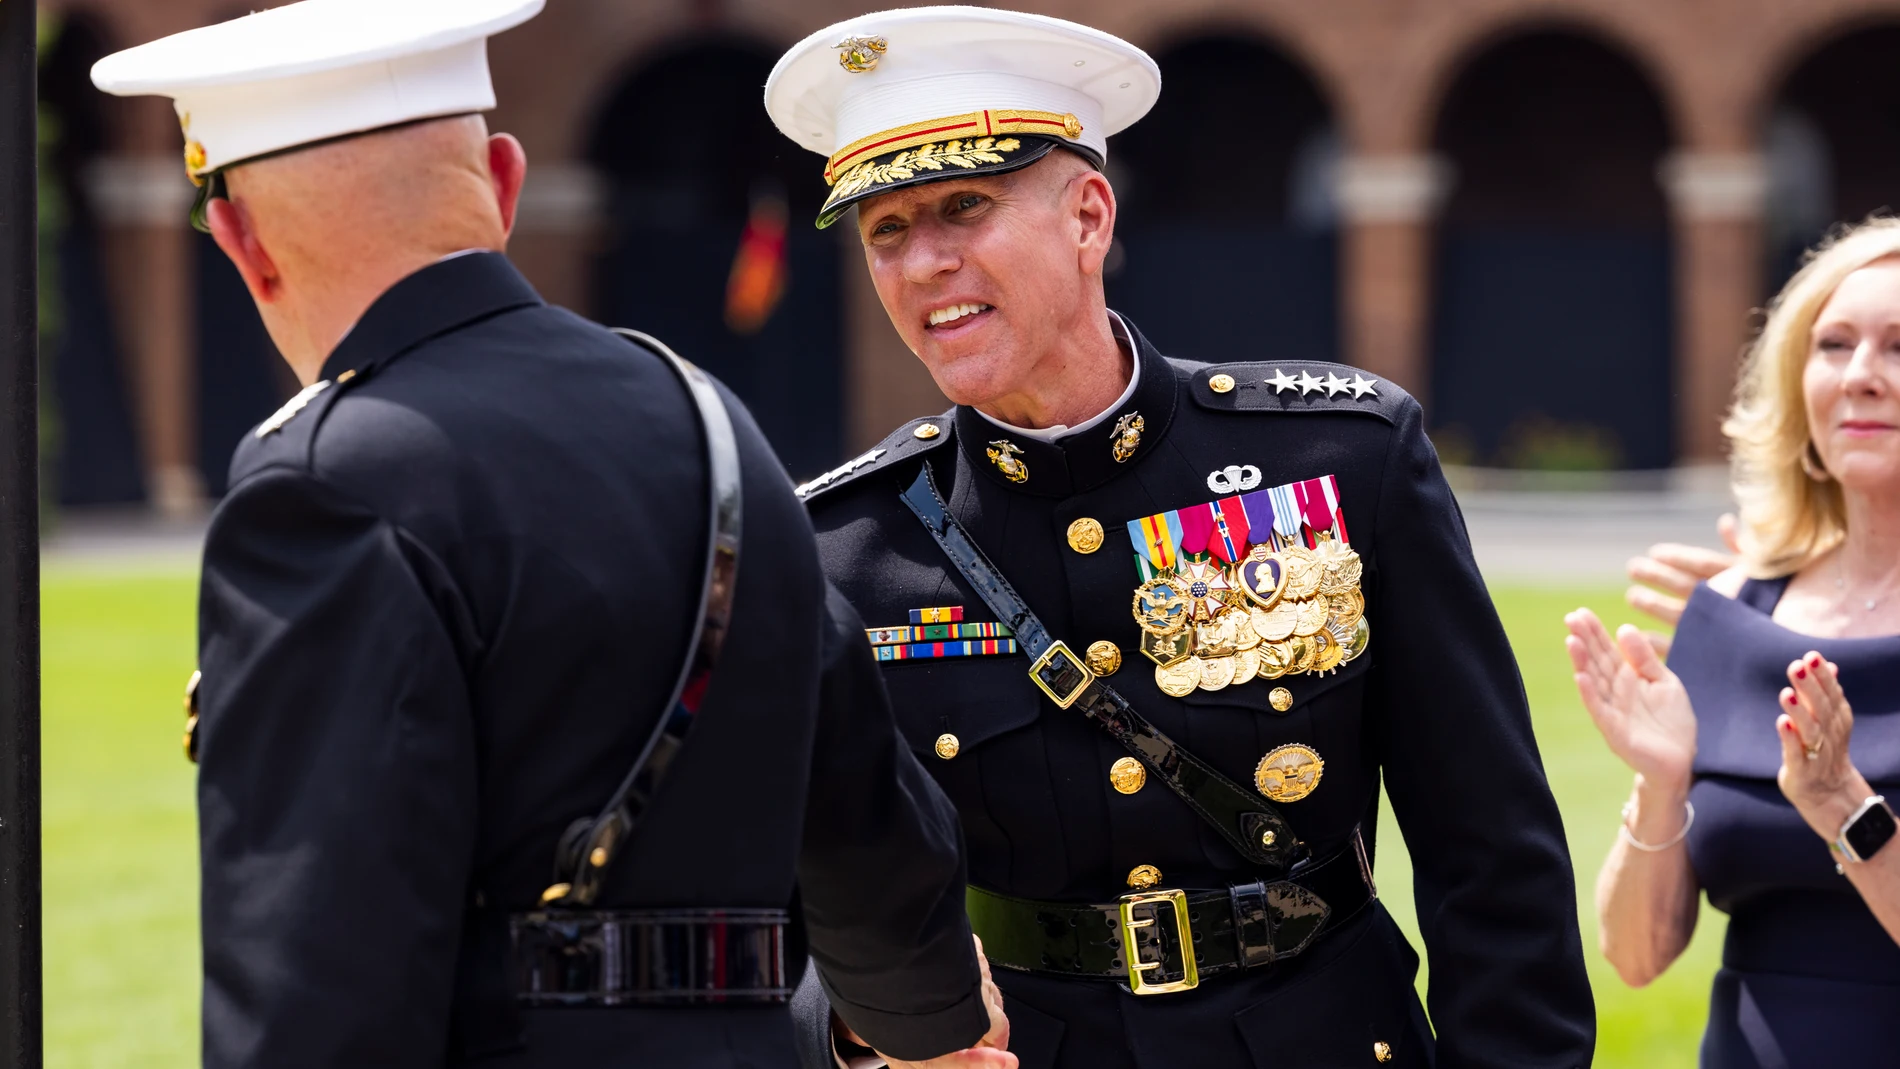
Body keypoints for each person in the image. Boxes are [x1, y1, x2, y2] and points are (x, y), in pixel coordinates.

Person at [91, 3, 1014, 1066]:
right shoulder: (709, 423)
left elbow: (315, 975)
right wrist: (933, 1021)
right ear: (503, 180)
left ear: (243, 244)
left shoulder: (323, 483)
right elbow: (859, 798)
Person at [764, 8, 1596, 1068]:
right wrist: (859, 1022)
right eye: (885, 230)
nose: (922, 260)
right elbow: (777, 895)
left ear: (1088, 217)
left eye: (964, 206)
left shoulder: (1342, 458)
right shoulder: (841, 547)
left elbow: (1492, 856)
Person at [1566, 217, 1900, 1066]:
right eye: (1834, 344)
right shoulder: (1733, 609)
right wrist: (1661, 783)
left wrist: (1844, 806)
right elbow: (1636, 956)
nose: (1862, 375)